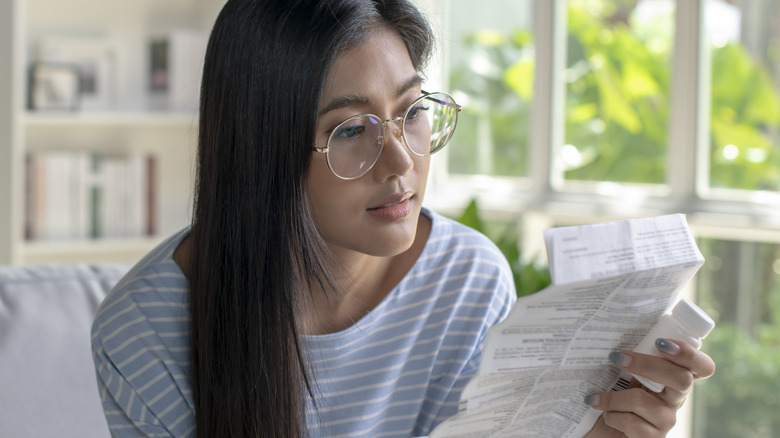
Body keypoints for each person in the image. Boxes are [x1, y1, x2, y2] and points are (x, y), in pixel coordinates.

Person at [91, 0, 716, 437]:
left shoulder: (467, 280)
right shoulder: (144, 331)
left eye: (412, 111)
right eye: (349, 129)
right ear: (261, 151)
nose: (400, 162)